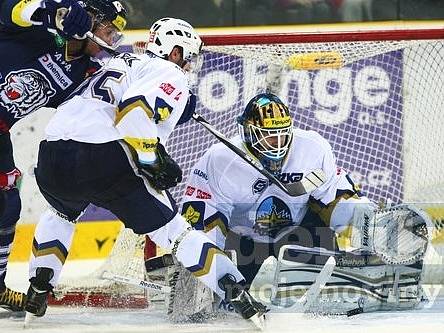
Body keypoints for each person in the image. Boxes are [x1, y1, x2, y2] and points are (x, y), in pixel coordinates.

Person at [24, 17, 267, 324]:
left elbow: (117, 104)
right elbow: (133, 112)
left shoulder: (118, 62)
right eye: (188, 57)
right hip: (103, 157)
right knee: (175, 233)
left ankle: (38, 288)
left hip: (52, 156)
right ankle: (239, 295)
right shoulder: (170, 72)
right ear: (175, 52)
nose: (189, 66)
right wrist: (153, 160)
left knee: (61, 214)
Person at [168, 93, 431, 316]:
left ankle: (358, 285)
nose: (278, 144)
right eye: (269, 137)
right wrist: (215, 269)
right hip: (243, 242)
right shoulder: (220, 161)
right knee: (206, 309)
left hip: (298, 234)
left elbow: (332, 199)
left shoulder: (312, 148)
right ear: (248, 132)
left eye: (283, 135)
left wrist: (361, 215)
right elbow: (205, 222)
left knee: (325, 302)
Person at [0, 0, 128, 313]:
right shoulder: (43, 32)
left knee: (8, 203)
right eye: (108, 30)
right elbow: (9, 9)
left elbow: (98, 109)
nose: (112, 40)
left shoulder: (86, 71)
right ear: (91, 21)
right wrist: (50, 12)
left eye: (115, 35)